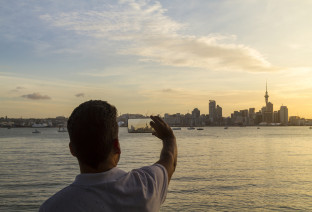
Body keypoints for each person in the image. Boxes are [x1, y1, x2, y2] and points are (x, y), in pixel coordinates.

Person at [39, 100, 177, 212]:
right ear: (116, 145)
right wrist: (169, 138)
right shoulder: (145, 187)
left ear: (72, 150)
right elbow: (169, 160)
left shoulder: (52, 207)